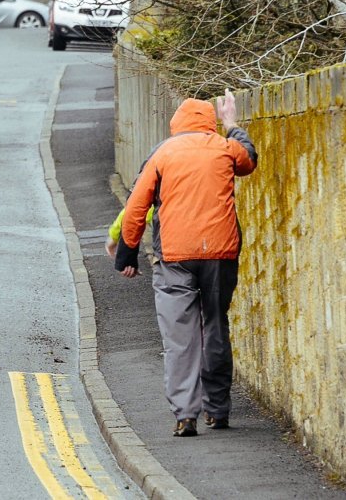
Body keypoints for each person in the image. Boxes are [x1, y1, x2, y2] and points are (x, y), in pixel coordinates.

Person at [114, 89, 257, 437]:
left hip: (175, 257)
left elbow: (136, 206)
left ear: (175, 123)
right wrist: (233, 125)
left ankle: (185, 415)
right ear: (209, 122)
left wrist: (127, 253)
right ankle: (218, 410)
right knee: (215, 326)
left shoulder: (163, 153)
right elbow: (249, 161)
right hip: (220, 253)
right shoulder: (225, 147)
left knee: (179, 337)